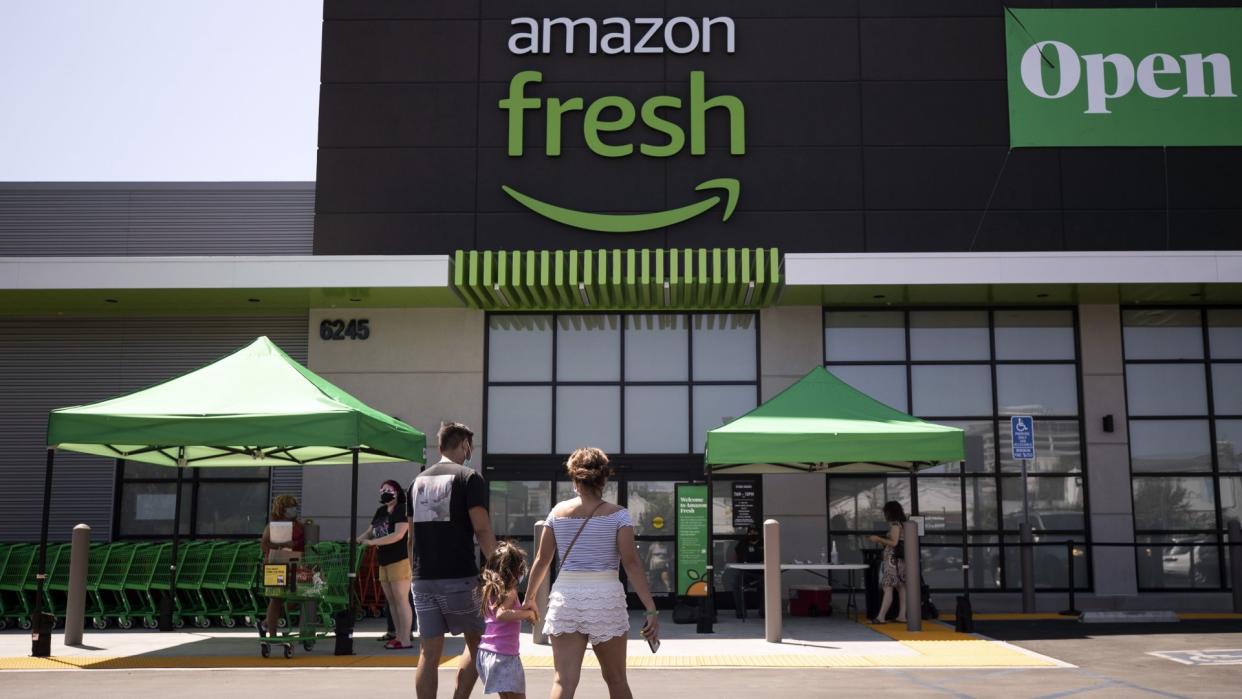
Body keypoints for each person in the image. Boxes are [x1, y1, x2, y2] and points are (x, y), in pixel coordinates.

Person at [524, 447, 660, 699]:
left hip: (566, 598)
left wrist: (530, 598)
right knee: (616, 679)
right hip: (605, 597)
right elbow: (631, 563)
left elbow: (542, 560)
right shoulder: (618, 515)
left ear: (575, 479)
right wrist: (650, 608)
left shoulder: (557, 513)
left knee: (563, 681)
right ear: (604, 478)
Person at [408, 421, 497, 699]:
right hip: (459, 578)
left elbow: (411, 539)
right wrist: (498, 570)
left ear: (439, 446)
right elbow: (482, 530)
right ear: (465, 445)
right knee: (477, 642)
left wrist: (416, 573)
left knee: (428, 652)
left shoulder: (416, 482)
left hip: (422, 581)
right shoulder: (469, 478)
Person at [477, 540, 537, 699]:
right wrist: (527, 615)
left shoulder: (492, 589)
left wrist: (522, 610)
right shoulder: (510, 591)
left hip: (487, 653)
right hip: (504, 656)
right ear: (515, 570)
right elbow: (501, 614)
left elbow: (502, 612)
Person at [358, 479, 414, 649]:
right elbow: (370, 532)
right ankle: (398, 635)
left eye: (388, 489)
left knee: (401, 599)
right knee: (391, 600)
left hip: (400, 559)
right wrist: (358, 539)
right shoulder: (381, 511)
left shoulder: (402, 510)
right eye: (382, 489)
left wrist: (373, 543)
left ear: (397, 492)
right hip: (383, 560)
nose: (384, 492)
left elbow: (398, 535)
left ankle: (405, 638)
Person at [259, 494, 303, 637]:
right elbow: (264, 545)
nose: (293, 509)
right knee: (276, 598)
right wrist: (284, 544)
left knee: (298, 597)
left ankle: (266, 622)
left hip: (296, 565)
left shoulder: (299, 525)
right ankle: (272, 634)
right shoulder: (273, 526)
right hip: (276, 565)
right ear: (282, 509)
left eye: (294, 506)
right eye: (290, 506)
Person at [867, 500, 908, 624]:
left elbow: (894, 543)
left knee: (887, 586)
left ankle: (881, 617)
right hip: (899, 560)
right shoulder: (902, 524)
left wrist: (878, 538)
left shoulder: (895, 525)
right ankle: (902, 616)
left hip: (892, 561)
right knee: (901, 587)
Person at [732, 525, 764, 619]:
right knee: (736, 583)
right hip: (746, 573)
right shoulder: (743, 544)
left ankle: (764, 611)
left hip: (762, 573)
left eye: (755, 532)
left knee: (767, 584)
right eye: (750, 532)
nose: (752, 534)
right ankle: (741, 612)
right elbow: (737, 558)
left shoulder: (765, 543)